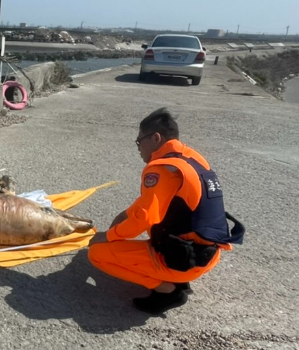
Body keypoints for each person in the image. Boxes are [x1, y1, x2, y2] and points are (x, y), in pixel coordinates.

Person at [88, 108, 244, 315]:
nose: (138, 148)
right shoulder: (192, 159)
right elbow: (149, 205)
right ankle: (177, 278)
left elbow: (143, 219)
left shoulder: (160, 168)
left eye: (139, 142)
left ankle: (167, 290)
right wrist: (123, 217)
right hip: (205, 255)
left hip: (183, 260)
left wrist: (107, 236)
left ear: (155, 138)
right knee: (152, 223)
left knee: (97, 254)